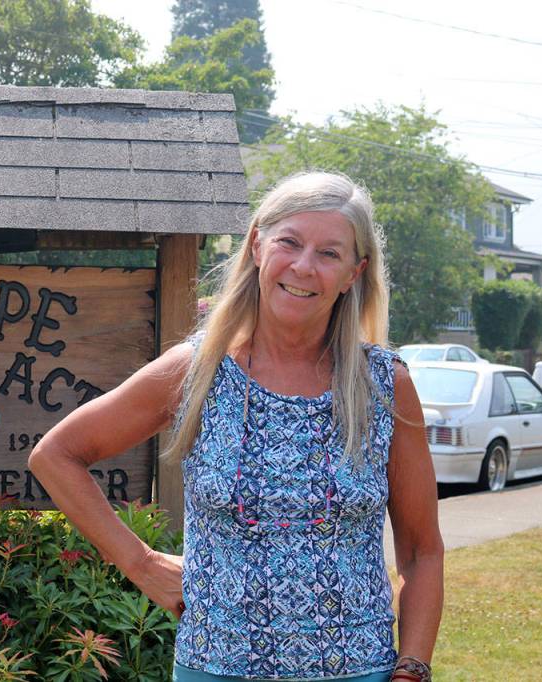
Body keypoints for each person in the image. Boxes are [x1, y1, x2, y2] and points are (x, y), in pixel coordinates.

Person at [29, 171, 443, 682]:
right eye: (289, 242)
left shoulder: (384, 384)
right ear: (256, 246)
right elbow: (56, 455)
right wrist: (140, 563)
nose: (303, 266)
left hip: (358, 671)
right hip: (215, 668)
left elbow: (422, 551)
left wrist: (413, 667)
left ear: (353, 274)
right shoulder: (196, 372)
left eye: (329, 253)